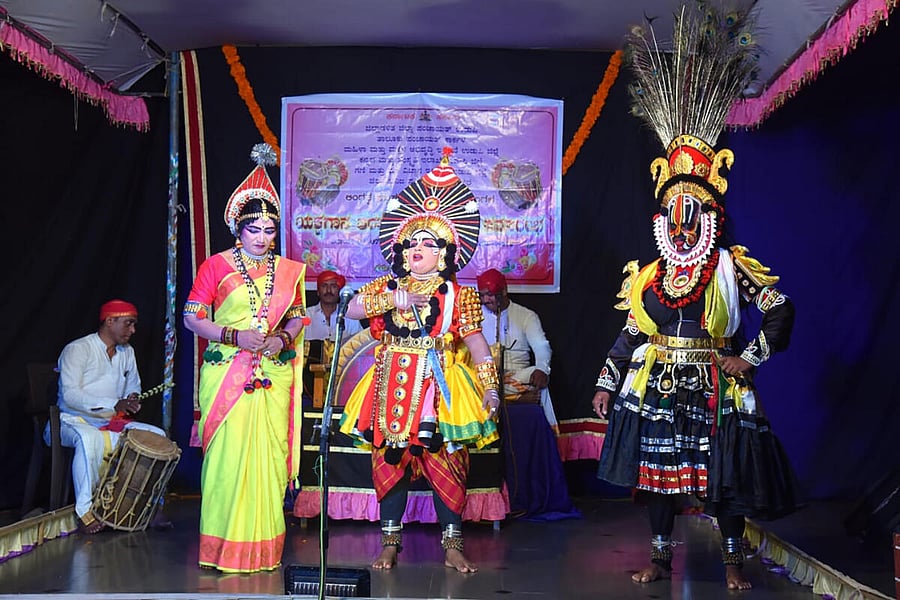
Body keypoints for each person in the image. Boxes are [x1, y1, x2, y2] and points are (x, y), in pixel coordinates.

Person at [591, 6, 802, 591]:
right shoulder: (649, 276)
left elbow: (781, 307)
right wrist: (607, 383)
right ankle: (660, 558)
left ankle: (733, 563)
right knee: (658, 476)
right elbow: (632, 332)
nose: (684, 225)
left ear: (711, 213)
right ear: (664, 216)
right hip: (657, 381)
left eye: (695, 212)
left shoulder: (732, 267)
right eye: (675, 213)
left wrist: (750, 356)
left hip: (717, 380)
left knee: (725, 475)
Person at [339, 148, 500, 573]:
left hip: (439, 385)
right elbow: (351, 309)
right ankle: (390, 543)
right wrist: (394, 297)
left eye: (427, 243)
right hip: (390, 381)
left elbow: (478, 345)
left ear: (444, 253)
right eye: (411, 242)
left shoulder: (459, 295)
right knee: (388, 462)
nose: (416, 249)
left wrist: (491, 389)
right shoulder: (387, 285)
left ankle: (452, 545)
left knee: (447, 462)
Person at [183, 143, 307, 573]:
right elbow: (192, 317)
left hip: (272, 375)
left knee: (269, 466)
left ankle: (264, 553)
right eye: (253, 228)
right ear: (238, 229)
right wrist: (234, 334)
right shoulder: (215, 266)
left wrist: (280, 341)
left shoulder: (290, 271)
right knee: (226, 466)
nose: (262, 236)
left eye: (270, 229)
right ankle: (220, 551)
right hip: (227, 376)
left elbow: (296, 318)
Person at [49, 299, 167, 534]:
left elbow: (133, 384)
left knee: (158, 437)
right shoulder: (78, 349)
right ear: (109, 321)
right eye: (128, 324)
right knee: (89, 439)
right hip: (71, 421)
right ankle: (85, 511)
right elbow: (71, 395)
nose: (133, 330)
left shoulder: (127, 352)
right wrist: (114, 404)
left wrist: (131, 399)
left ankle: (145, 508)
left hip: (110, 421)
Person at [476, 268, 557, 430]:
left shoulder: (526, 316)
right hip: (486, 378)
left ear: (504, 291)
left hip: (517, 376)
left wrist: (542, 369)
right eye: (482, 295)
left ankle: (550, 437)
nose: (485, 300)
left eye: (490, 294)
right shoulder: (476, 317)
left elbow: (542, 347)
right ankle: (514, 398)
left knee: (540, 380)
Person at [304, 269, 364, 343]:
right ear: (318, 292)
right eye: (324, 286)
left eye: (333, 286)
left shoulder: (351, 316)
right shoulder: (306, 315)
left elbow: (361, 344)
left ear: (339, 292)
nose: (328, 290)